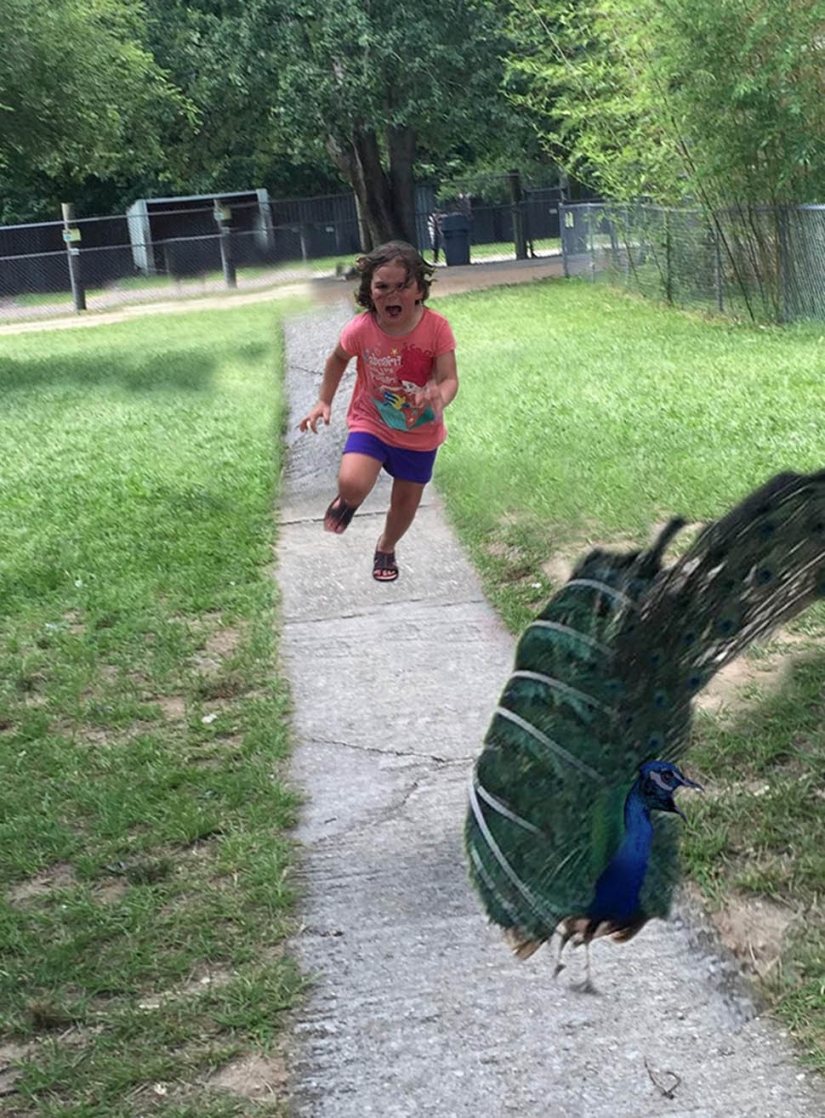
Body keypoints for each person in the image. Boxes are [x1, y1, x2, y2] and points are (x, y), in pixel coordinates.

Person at [299, 240, 459, 582]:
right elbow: (338, 359)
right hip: (372, 421)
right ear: (369, 292)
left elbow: (449, 379)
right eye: (382, 287)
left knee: (404, 506)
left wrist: (439, 397)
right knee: (352, 482)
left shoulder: (436, 328)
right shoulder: (361, 329)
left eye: (402, 286)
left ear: (419, 290)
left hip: (420, 432)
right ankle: (349, 502)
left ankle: (386, 546)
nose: (392, 295)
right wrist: (324, 400)